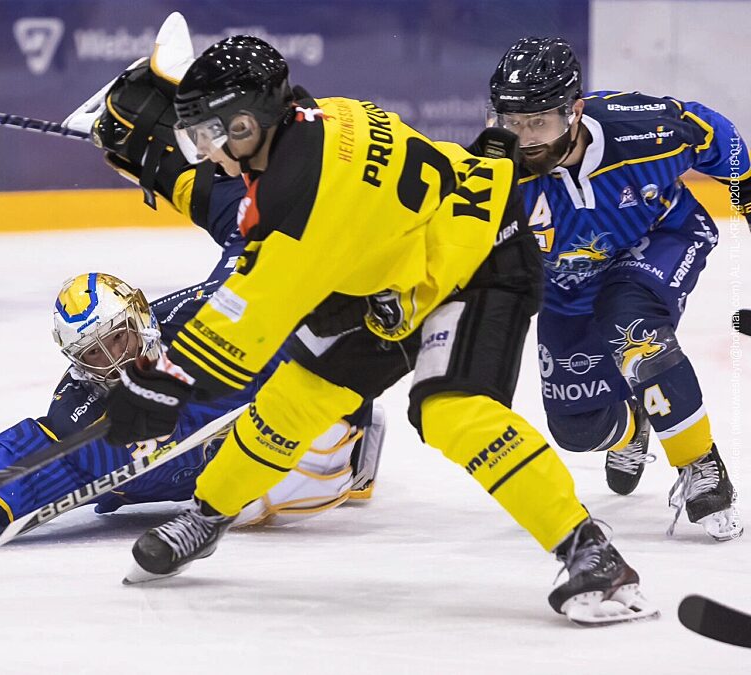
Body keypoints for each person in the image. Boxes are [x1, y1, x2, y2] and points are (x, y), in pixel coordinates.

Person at [99, 35, 656, 626]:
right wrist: (177, 173)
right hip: (395, 271)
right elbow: (279, 220)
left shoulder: (304, 202)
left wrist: (165, 378)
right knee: (297, 400)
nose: (205, 151)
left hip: (478, 256)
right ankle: (209, 517)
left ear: (247, 125)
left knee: (453, 412)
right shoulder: (313, 118)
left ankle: (590, 551)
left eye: (210, 136)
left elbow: (248, 318)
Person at [0, 270, 385, 549]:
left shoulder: (211, 316)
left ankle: (351, 447)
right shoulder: (86, 404)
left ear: (142, 320)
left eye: (119, 340)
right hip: (190, 475)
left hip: (297, 435)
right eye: (93, 353)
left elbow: (305, 306)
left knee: (286, 479)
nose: (112, 362)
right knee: (217, 480)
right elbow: (38, 460)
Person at [487, 37, 745, 541]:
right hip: (566, 283)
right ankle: (634, 419)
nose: (525, 139)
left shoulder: (650, 131)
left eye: (538, 122)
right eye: (511, 123)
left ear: (575, 111)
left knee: (630, 320)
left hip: (661, 238)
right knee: (577, 429)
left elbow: (735, 162)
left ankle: (699, 465)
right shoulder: (497, 173)